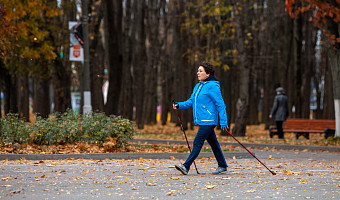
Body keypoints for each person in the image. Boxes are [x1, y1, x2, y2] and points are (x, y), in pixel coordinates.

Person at [172, 61, 229, 175]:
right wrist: (179, 105)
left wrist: (223, 120)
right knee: (214, 144)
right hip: (202, 120)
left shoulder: (213, 86)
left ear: (208, 74)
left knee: (198, 142)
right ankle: (222, 165)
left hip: (209, 120)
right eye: (198, 70)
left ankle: (186, 166)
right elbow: (191, 102)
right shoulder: (198, 86)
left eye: (200, 71)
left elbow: (220, 104)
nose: (198, 73)